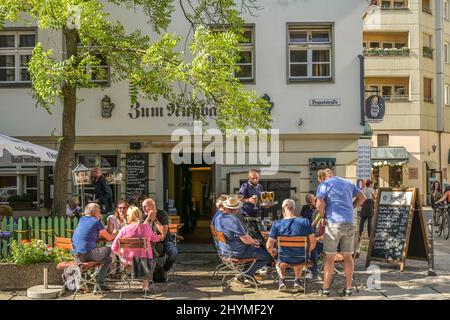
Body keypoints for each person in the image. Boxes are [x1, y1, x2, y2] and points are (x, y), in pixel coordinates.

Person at [315, 169, 366, 297]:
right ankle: (348, 288)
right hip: (349, 223)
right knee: (348, 257)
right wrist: (352, 206)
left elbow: (319, 203)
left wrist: (322, 216)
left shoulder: (324, 184)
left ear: (324, 177)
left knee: (329, 257)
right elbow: (362, 198)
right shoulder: (348, 183)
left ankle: (325, 289)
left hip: (333, 223)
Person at [213, 194, 272, 285]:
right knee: (267, 256)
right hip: (236, 252)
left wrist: (252, 242)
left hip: (225, 250)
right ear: (236, 209)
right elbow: (245, 239)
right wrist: (254, 241)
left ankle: (248, 277)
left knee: (255, 248)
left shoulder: (218, 217)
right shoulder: (233, 220)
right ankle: (244, 275)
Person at [266, 199, 316, 292]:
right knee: (300, 253)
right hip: (301, 257)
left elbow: (269, 245)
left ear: (283, 209)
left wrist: (272, 252)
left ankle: (282, 280)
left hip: (283, 258)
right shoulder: (305, 222)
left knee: (277, 254)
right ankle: (297, 280)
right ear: (294, 208)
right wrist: (308, 251)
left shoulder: (277, 224)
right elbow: (313, 242)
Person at [111, 206, 162, 289]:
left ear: (131, 216)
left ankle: (130, 269)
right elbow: (155, 239)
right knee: (154, 260)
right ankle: (145, 285)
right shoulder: (146, 228)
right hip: (144, 263)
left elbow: (113, 247)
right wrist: (160, 236)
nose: (126, 216)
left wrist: (122, 257)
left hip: (128, 263)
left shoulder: (124, 230)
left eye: (127, 215)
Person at [72, 203, 117, 291]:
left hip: (77, 256)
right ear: (94, 212)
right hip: (88, 254)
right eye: (99, 211)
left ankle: (100, 282)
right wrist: (118, 232)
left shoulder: (82, 219)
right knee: (110, 249)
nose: (100, 213)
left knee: (108, 259)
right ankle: (100, 282)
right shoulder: (96, 222)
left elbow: (89, 234)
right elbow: (109, 237)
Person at [141, 198, 178, 281]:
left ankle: (164, 270)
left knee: (173, 253)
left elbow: (163, 232)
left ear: (152, 206)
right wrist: (148, 218)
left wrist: (154, 219)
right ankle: (148, 275)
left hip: (165, 241)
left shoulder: (162, 214)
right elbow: (141, 231)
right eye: (143, 206)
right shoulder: (143, 216)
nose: (143, 208)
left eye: (145, 206)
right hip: (149, 244)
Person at [238, 169, 264, 242]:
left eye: (257, 178)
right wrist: (248, 200)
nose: (255, 180)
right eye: (253, 178)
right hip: (248, 217)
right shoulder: (245, 186)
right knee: (254, 239)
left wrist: (264, 205)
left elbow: (260, 201)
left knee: (261, 237)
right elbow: (239, 199)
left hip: (258, 216)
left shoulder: (260, 186)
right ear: (249, 178)